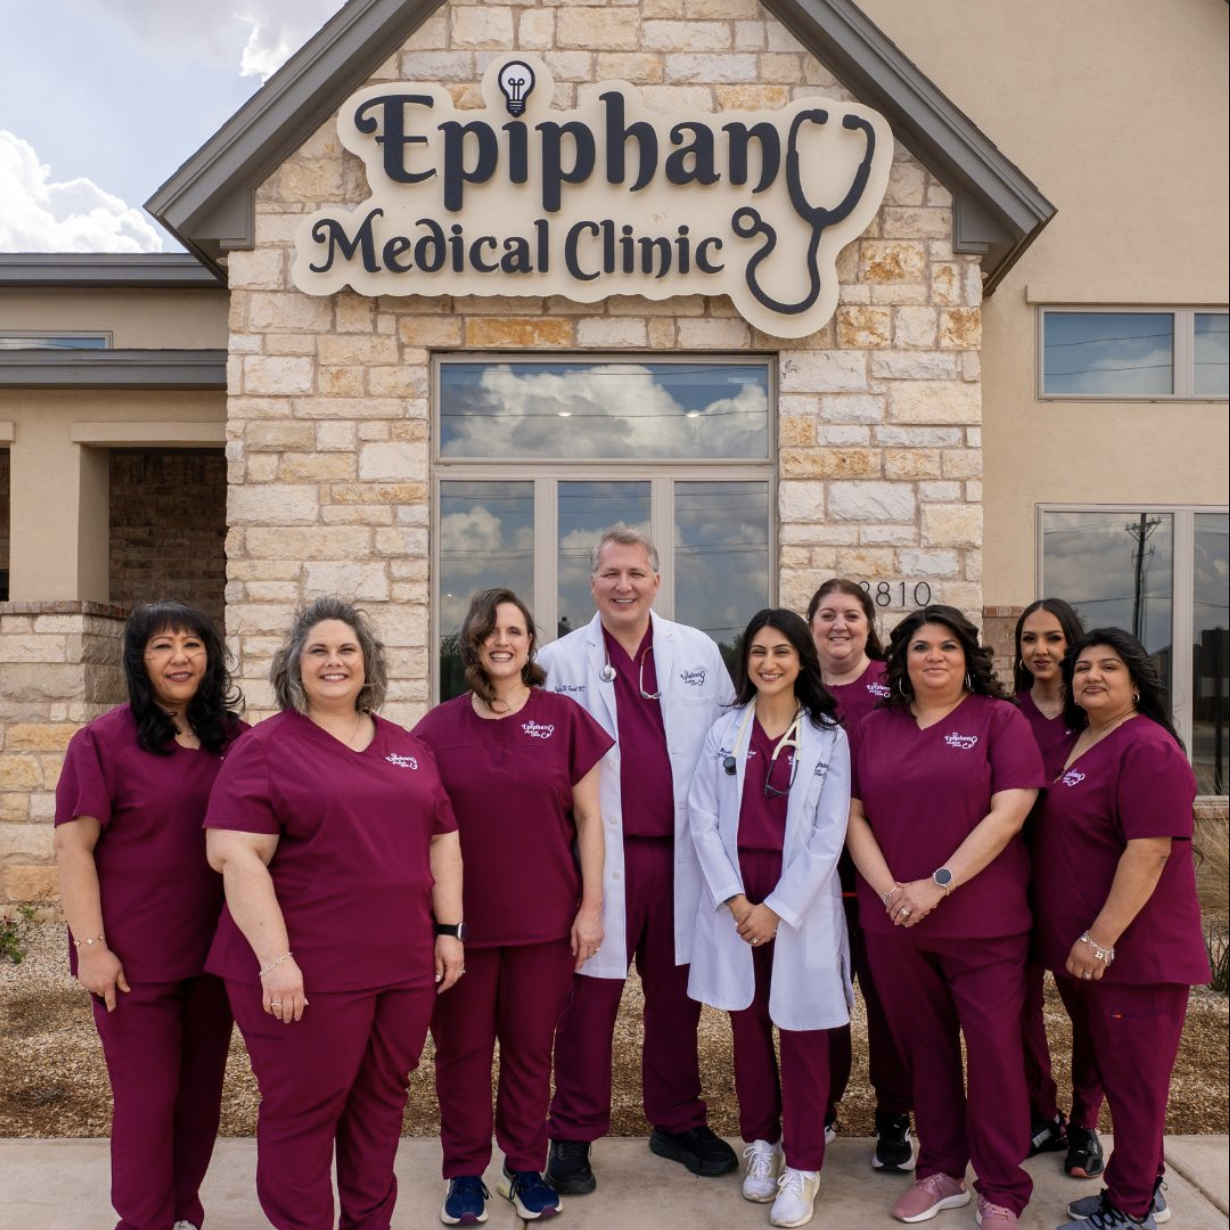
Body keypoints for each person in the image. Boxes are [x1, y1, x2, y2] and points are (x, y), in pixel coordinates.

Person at [203, 596, 463, 1230]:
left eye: (347, 649)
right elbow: (234, 855)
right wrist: (276, 961)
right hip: (304, 975)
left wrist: (450, 930)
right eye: (317, 649)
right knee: (304, 1111)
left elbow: (442, 837)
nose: (333, 661)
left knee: (381, 1107)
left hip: (400, 969)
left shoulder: (406, 746)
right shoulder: (265, 749)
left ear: (368, 662)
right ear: (295, 664)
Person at [539, 527, 739, 1193]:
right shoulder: (556, 662)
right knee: (588, 1001)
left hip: (680, 860)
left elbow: (723, 751)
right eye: (610, 574)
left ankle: (676, 1120)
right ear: (591, 583)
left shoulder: (698, 652)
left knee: (677, 1003)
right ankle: (570, 1132)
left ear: (656, 581)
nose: (623, 585)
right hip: (596, 861)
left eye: (635, 574)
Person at [413, 588, 612, 1225]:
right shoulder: (436, 728)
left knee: (531, 1051)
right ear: (472, 644)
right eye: (489, 632)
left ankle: (525, 1167)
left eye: (515, 631)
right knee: (463, 1055)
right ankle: (465, 1174)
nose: (503, 641)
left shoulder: (564, 718)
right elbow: (419, 827)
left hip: (544, 923)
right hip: (461, 927)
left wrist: (592, 907)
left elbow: (589, 820)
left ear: (531, 643)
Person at [845, 605, 1044, 1230]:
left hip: (984, 925)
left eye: (949, 646)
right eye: (921, 646)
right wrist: (889, 892)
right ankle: (939, 1170)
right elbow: (851, 818)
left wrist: (935, 885)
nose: (935, 656)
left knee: (993, 1054)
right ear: (900, 659)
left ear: (968, 657)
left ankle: (1003, 1188)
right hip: (895, 923)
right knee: (924, 1051)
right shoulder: (874, 728)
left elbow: (1008, 814)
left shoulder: (999, 720)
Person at [54, 599, 246, 1230]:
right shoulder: (101, 743)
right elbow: (72, 847)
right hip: (134, 962)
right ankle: (142, 1221)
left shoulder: (236, 740)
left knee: (198, 1101)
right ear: (139, 660)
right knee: (147, 1100)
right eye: (162, 645)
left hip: (216, 956)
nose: (179, 657)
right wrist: (92, 947)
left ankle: (182, 1209)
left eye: (192, 644)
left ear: (209, 657)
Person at [1037, 629, 1209, 1230]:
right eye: (1082, 667)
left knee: (1136, 1088)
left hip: (1136, 956)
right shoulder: (1081, 741)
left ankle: (1130, 1210)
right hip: (1096, 958)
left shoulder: (1148, 748)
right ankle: (1143, 1186)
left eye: (1109, 667)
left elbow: (1151, 850)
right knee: (1122, 1077)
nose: (1092, 676)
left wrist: (1100, 937)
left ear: (1136, 681)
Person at [688, 609, 851, 1229]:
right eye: (758, 651)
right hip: (737, 897)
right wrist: (736, 901)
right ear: (745, 661)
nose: (770, 663)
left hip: (798, 903)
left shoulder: (829, 735)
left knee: (804, 1032)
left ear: (802, 659)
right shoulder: (724, 729)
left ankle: (803, 1165)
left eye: (782, 651)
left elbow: (829, 834)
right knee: (749, 1028)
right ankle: (761, 1142)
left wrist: (777, 911)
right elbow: (701, 818)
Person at [806, 579, 913, 1173]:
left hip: (882, 874)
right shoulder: (797, 685)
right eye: (827, 615)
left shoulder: (892, 688)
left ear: (869, 625)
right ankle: (820, 1108)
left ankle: (895, 1114)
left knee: (891, 1003)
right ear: (811, 624)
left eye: (851, 615)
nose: (839, 625)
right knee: (823, 1002)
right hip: (814, 881)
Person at [1012, 599, 1106, 1178]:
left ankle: (1087, 1121)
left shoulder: (1092, 715)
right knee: (1018, 1010)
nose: (1040, 650)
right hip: (1014, 884)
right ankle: (1041, 1114)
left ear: (1072, 643)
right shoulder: (1005, 712)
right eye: (1029, 640)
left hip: (1075, 884)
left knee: (1087, 1011)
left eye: (1052, 638)